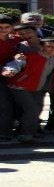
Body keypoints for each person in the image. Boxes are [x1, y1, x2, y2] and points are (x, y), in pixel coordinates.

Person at [2, 38, 54, 143]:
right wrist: (9, 70)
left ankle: (22, 131)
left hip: (38, 88)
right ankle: (26, 134)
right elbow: (15, 64)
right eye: (49, 46)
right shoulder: (30, 56)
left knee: (36, 109)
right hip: (19, 86)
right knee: (31, 109)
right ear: (42, 47)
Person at [0, 14, 22, 142]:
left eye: (6, 27)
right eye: (0, 27)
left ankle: (4, 132)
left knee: (8, 105)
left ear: (12, 27)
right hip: (3, 74)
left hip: (12, 75)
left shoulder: (16, 40)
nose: (3, 30)